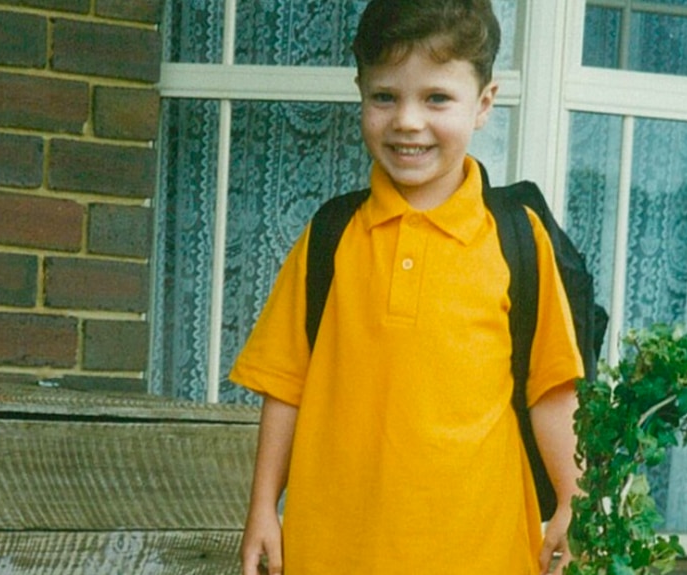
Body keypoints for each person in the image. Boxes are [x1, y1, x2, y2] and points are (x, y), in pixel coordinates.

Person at [230, 0, 584, 573]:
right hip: (334, 550)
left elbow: (551, 391)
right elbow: (285, 387)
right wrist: (263, 507)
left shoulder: (518, 239)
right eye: (385, 96)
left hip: (481, 551)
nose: (408, 121)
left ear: (484, 104)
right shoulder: (330, 236)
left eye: (437, 98)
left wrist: (572, 498)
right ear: (361, 95)